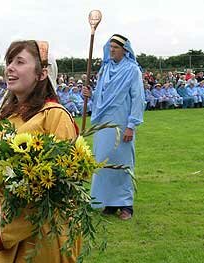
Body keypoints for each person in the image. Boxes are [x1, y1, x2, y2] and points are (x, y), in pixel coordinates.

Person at [0, 40, 80, 262]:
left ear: (41, 74)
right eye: (9, 61)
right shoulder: (6, 117)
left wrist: (10, 181)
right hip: (5, 227)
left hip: (40, 237)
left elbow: (62, 179)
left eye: (20, 62)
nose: (10, 68)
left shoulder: (55, 116)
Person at [83, 34, 145, 220]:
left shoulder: (132, 70)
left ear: (125, 50)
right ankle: (108, 203)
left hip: (122, 123)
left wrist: (131, 126)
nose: (111, 50)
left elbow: (138, 99)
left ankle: (126, 205)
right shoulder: (105, 69)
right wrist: (90, 94)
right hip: (103, 124)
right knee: (103, 162)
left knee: (121, 163)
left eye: (115, 48)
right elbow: (103, 99)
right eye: (110, 47)